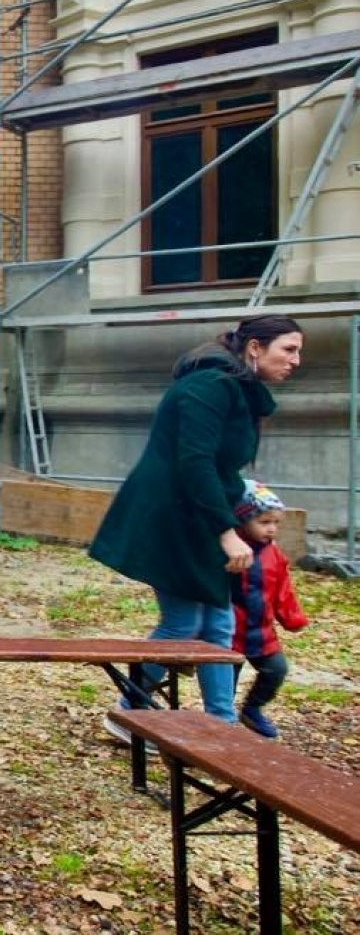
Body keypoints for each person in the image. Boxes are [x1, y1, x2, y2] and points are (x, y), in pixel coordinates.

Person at [90, 315, 304, 739]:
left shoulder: (235, 389)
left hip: (197, 515)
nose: (296, 360)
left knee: (217, 624)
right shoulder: (209, 386)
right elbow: (195, 461)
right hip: (172, 519)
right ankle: (127, 710)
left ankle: (221, 724)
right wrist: (227, 532)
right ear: (255, 348)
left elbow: (217, 466)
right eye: (289, 349)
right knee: (183, 624)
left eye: (298, 351)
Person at [228, 479, 308, 739]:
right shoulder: (231, 552)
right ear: (243, 521)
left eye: (276, 523)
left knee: (276, 670)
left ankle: (252, 709)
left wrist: (293, 619)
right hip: (231, 633)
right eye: (264, 523)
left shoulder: (274, 556)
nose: (272, 529)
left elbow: (283, 591)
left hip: (262, 633)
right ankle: (221, 719)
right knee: (225, 680)